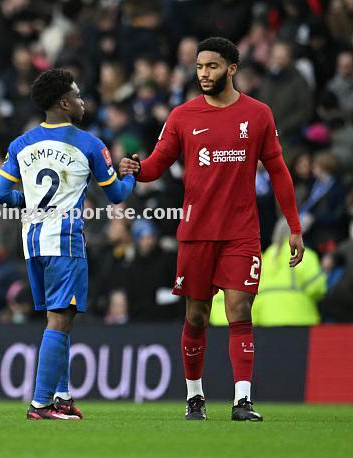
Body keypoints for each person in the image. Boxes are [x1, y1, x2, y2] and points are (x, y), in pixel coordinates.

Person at [120, 37, 304, 422]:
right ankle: (195, 397)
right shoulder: (183, 116)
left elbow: (279, 172)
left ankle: (242, 401)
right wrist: (137, 169)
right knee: (197, 316)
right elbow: (157, 165)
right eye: (199, 67)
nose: (203, 73)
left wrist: (294, 227)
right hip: (196, 232)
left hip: (241, 232)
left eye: (212, 67)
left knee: (239, 310)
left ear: (231, 69)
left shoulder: (258, 114)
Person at [0, 68, 135, 420]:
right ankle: (40, 405)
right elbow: (116, 195)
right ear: (64, 103)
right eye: (78, 95)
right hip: (65, 242)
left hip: (33, 243)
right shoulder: (89, 144)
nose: (84, 101)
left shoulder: (21, 144)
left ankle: (61, 396)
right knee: (59, 321)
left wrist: (27, 203)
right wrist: (131, 176)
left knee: (60, 318)